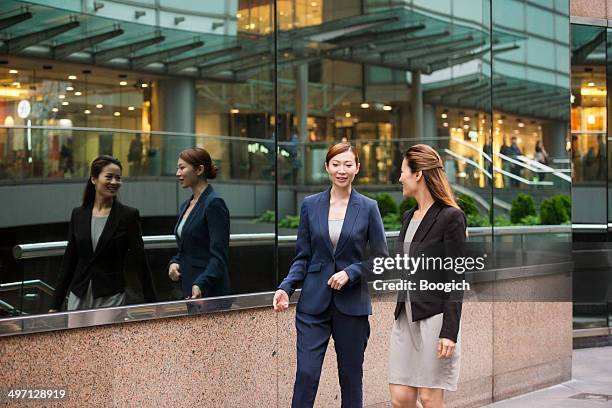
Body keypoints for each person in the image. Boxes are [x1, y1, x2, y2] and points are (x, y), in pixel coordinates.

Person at [273, 142, 389, 408]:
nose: (341, 170)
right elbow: (302, 256)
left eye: (348, 164)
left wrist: (352, 272)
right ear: (326, 167)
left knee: (350, 378)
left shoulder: (369, 207)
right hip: (313, 305)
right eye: (336, 164)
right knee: (306, 374)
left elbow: (382, 259)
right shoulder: (310, 205)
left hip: (352, 307)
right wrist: (286, 288)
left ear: (357, 168)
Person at [389, 144, 467, 408]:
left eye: (403, 171)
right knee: (401, 397)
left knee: (429, 398)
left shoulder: (451, 217)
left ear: (418, 174)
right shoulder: (408, 217)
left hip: (435, 319)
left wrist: (450, 331)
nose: (400, 177)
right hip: (405, 316)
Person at [49, 155, 156, 312]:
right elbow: (69, 260)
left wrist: (152, 303)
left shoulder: (128, 216)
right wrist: (55, 304)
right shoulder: (78, 214)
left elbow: (140, 261)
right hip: (79, 294)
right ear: (94, 179)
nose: (114, 182)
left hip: (111, 295)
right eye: (109, 177)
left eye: (118, 178)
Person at [168, 147, 230, 299]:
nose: (178, 174)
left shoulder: (214, 203)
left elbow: (219, 255)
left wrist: (202, 283)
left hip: (209, 290)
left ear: (199, 169)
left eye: (182, 168)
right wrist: (174, 262)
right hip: (190, 286)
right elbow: (187, 247)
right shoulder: (186, 205)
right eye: (178, 168)